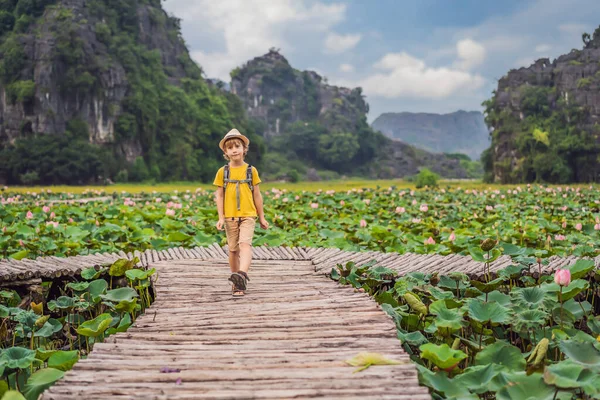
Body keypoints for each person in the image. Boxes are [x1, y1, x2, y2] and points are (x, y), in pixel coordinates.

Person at [213, 129, 269, 297]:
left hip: (248, 215)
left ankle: (242, 274)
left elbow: (257, 195)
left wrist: (262, 217)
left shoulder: (251, 171)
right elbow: (220, 196)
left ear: (244, 149)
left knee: (245, 245)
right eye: (230, 148)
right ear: (225, 152)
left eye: (237, 146)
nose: (234, 150)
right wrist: (221, 217)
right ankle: (236, 282)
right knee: (233, 250)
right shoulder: (223, 172)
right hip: (230, 216)